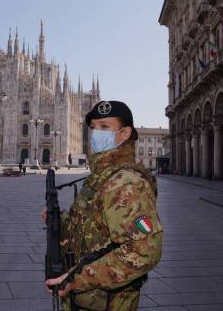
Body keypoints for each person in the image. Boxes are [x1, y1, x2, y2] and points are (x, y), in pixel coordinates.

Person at [44, 100, 163, 311]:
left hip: (108, 303)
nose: (96, 133)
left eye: (105, 127)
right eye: (93, 127)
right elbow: (94, 231)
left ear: (124, 134)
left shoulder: (127, 182)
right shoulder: (101, 177)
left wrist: (77, 279)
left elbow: (144, 251)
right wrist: (60, 221)